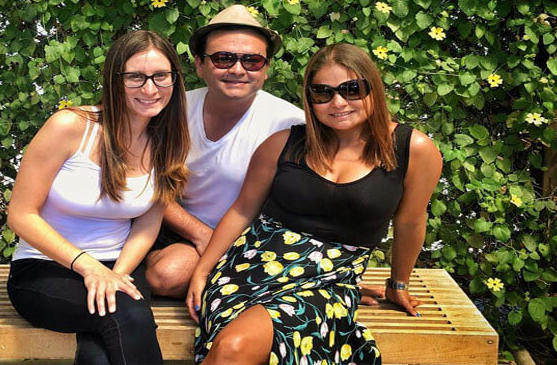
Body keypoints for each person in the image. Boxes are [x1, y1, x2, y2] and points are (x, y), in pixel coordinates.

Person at [186, 43, 443, 364]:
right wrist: (203, 270)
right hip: (249, 269)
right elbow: (242, 210)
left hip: (330, 279)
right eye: (322, 93)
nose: (337, 102)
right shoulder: (284, 144)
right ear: (310, 98)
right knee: (232, 348)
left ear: (373, 89)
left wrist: (398, 283)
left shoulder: (412, 149)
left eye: (352, 89)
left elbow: (410, 222)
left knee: (232, 348)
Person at [5, 30, 189, 365]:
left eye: (161, 76)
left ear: (174, 79)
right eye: (136, 77)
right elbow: (20, 215)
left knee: (98, 356)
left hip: (122, 266)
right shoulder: (70, 127)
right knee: (128, 317)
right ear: (115, 80)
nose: (150, 89)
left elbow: (147, 224)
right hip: (46, 268)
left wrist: (116, 274)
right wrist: (89, 267)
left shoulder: (168, 141)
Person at [145, 5, 305, 298]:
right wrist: (201, 234)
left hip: (254, 241)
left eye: (253, 60)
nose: (237, 70)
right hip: (181, 233)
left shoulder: (291, 124)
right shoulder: (171, 110)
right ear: (199, 65)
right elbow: (144, 185)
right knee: (167, 275)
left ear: (266, 69)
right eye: (223, 58)